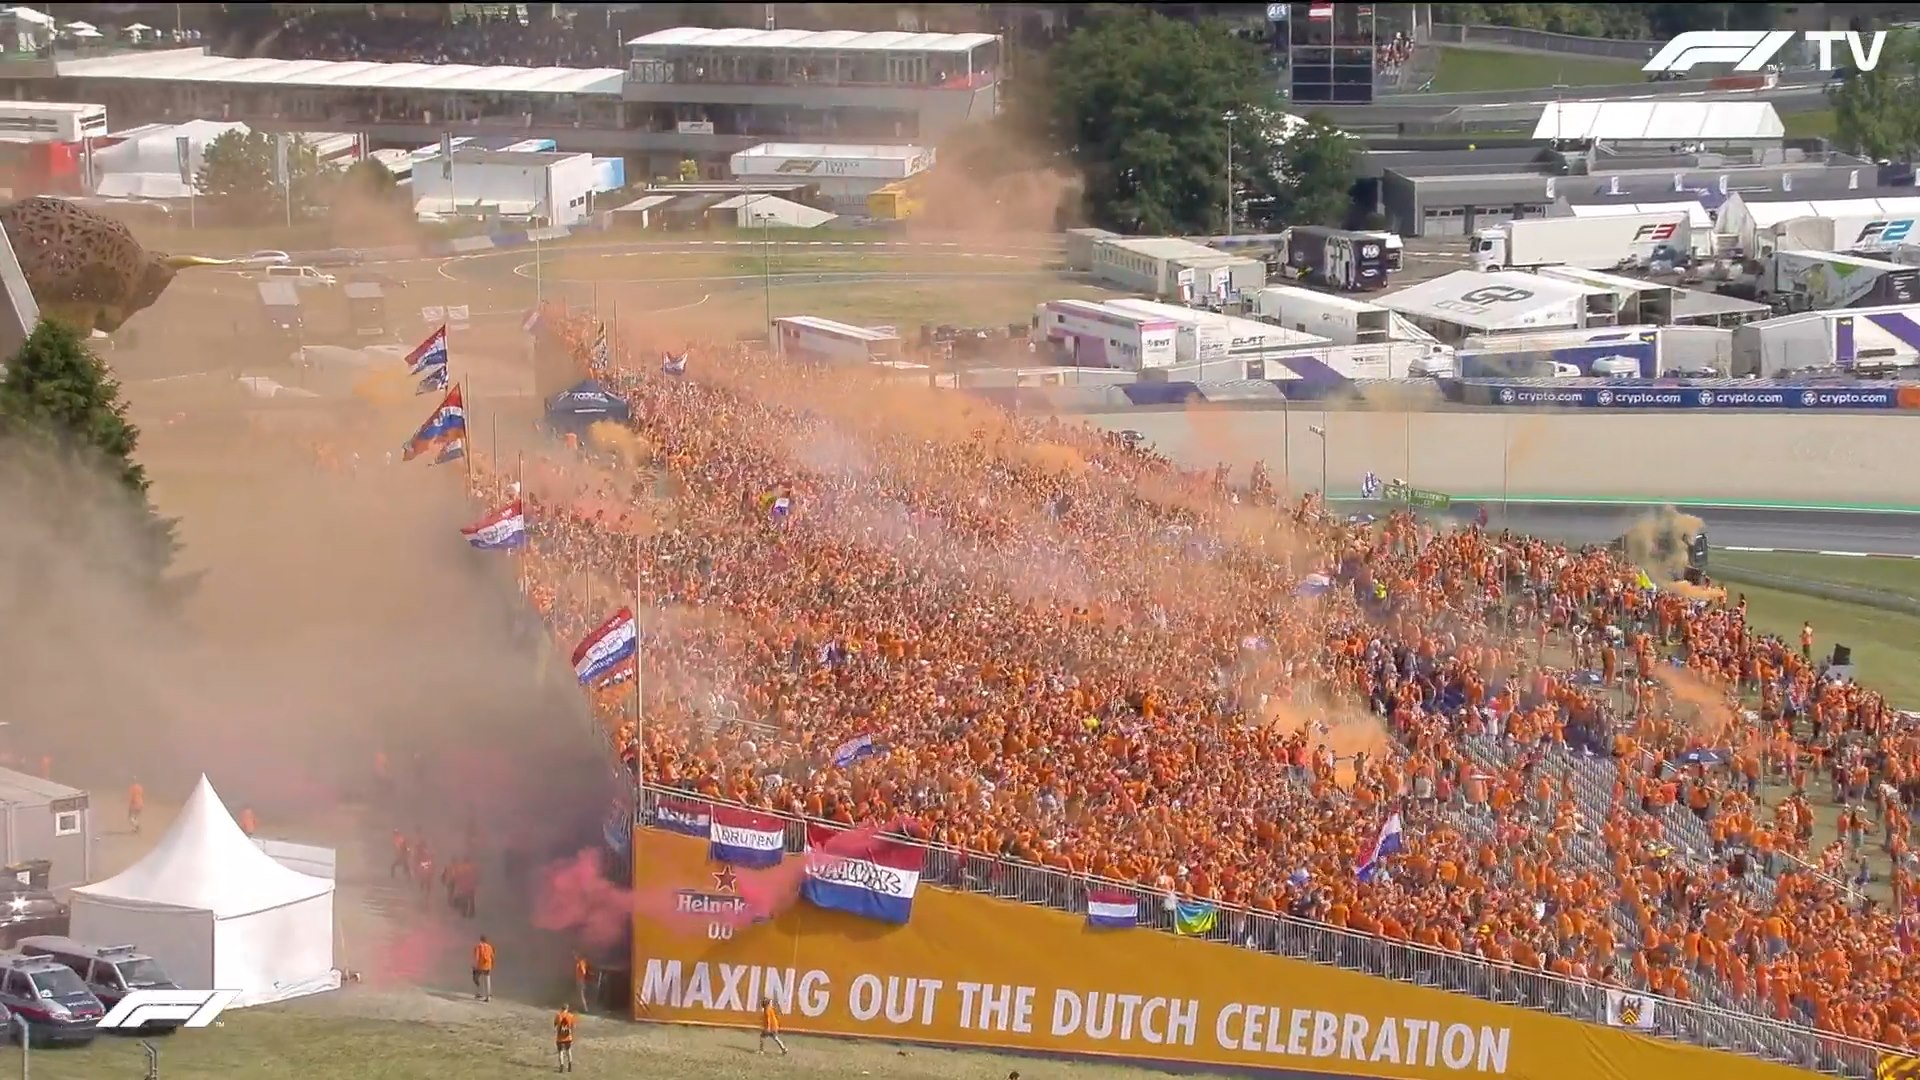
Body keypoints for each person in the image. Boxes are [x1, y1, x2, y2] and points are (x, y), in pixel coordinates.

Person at [554, 1003, 576, 1072]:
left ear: (561, 1008)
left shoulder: (558, 1015)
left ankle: (561, 1065)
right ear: (567, 1008)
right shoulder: (571, 1016)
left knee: (560, 1051)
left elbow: (555, 1024)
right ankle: (570, 1065)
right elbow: (573, 1026)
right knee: (568, 1050)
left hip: (560, 1037)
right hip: (568, 1037)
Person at [472, 935, 494, 1002]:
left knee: (476, 978)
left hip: (480, 966)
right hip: (488, 965)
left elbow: (477, 957)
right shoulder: (489, 947)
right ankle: (488, 996)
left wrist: (475, 966)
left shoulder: (479, 946)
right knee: (487, 980)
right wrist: (491, 965)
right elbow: (492, 956)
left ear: (480, 939)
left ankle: (479, 993)